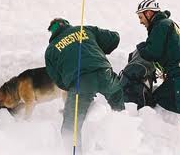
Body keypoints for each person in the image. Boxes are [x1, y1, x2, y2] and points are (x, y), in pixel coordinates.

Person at [45, 18, 125, 152]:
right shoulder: (84, 30)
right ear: (66, 24)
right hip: (104, 73)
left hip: (80, 82)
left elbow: (57, 79)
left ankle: (74, 152)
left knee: (70, 125)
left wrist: (71, 87)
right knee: (116, 94)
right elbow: (114, 38)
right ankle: (123, 135)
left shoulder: (51, 50)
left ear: (51, 32)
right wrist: (96, 47)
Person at [135, 0, 180, 154]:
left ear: (149, 13)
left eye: (141, 17)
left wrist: (140, 47)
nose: (140, 21)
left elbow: (152, 52)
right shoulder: (163, 25)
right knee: (160, 97)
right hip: (176, 71)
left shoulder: (161, 25)